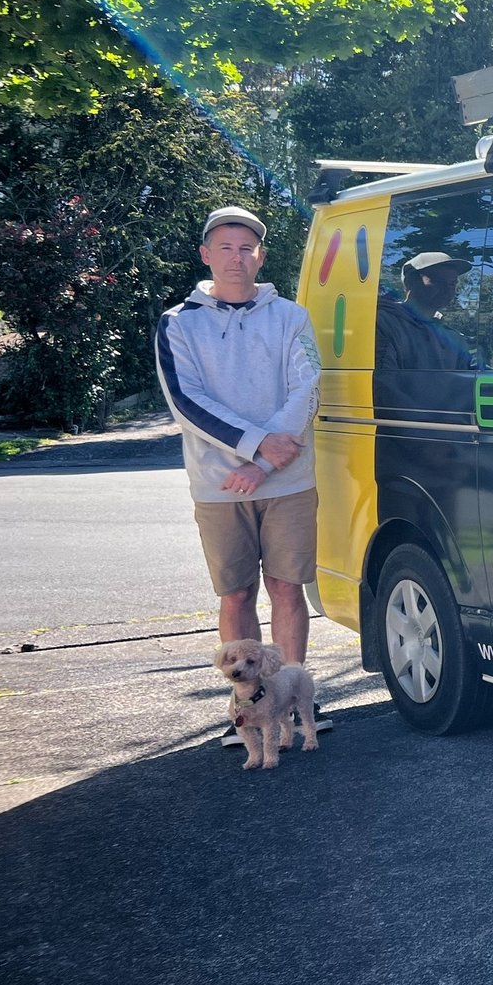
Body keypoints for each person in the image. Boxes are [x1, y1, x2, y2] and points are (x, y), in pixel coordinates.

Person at [155, 206, 328, 746]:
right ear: (207, 255)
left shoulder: (291, 317)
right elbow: (186, 402)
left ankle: (297, 704)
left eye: (247, 247)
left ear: (261, 256)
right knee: (236, 593)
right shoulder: (179, 322)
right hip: (218, 484)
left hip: (289, 479)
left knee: (286, 587)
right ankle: (248, 711)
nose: (237, 257)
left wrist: (267, 461)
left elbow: (308, 387)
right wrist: (253, 447)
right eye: (225, 247)